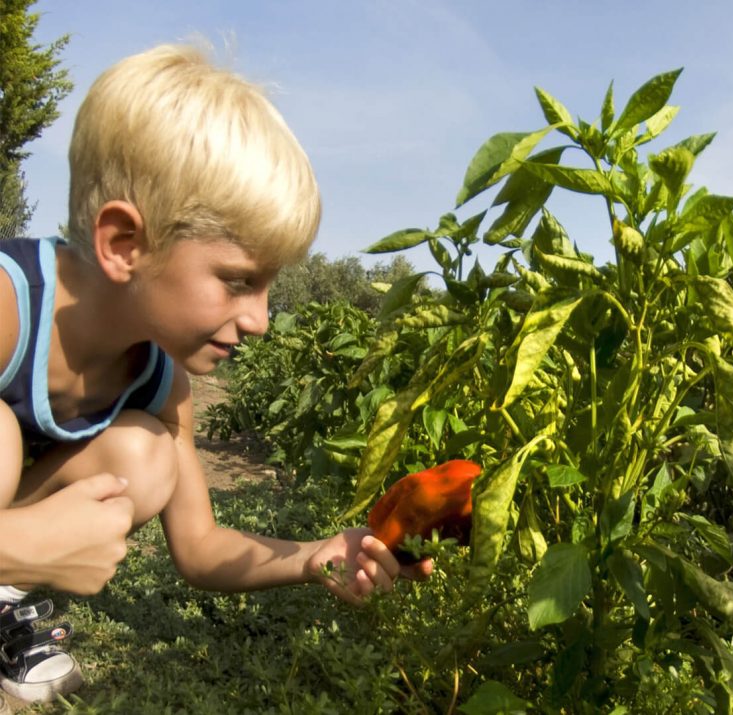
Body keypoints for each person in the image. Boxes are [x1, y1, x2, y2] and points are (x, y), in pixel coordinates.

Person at [0, 43, 427, 706]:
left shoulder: (159, 380)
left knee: (144, 459)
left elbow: (198, 547)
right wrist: (16, 546)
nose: (258, 319)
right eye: (237, 281)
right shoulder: (9, 305)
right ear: (124, 244)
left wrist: (316, 554)